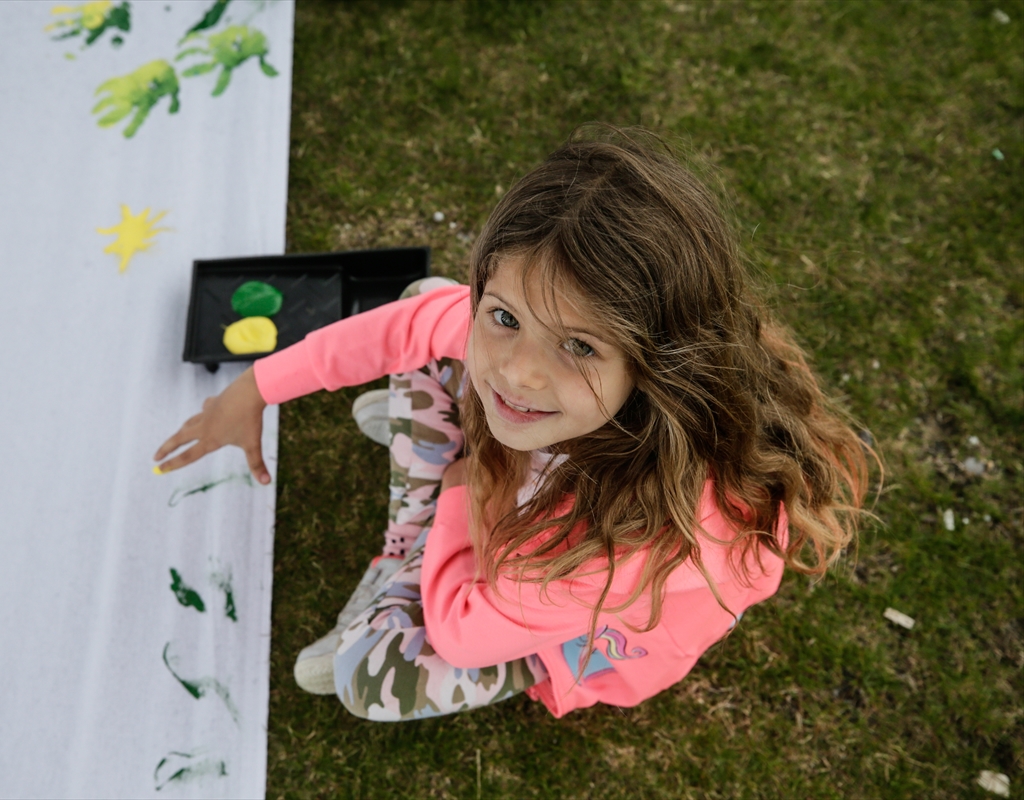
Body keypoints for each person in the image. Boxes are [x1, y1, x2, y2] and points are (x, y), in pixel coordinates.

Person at [153, 126, 875, 722]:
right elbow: (405, 325)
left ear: (658, 366)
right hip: (550, 488)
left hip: (568, 621)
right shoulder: (556, 362)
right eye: (504, 316)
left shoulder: (622, 547)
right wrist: (256, 386)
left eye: (579, 346)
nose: (518, 372)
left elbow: (464, 634)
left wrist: (472, 487)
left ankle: (404, 547)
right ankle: (427, 502)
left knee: (367, 676)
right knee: (429, 304)